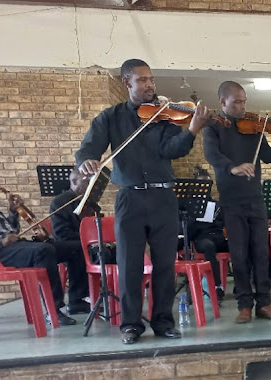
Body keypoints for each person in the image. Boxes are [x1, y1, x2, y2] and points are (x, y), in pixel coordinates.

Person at [75, 58, 209, 344]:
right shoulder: (110, 117)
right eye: (143, 80)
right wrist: (87, 161)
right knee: (129, 264)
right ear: (127, 83)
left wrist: (192, 130)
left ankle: (163, 322)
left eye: (151, 80)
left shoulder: (164, 115)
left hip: (163, 196)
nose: (150, 85)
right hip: (130, 197)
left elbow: (173, 150)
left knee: (164, 264)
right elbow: (89, 149)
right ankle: (131, 325)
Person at [203, 81, 271, 323]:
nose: (242, 107)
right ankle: (244, 305)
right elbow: (212, 155)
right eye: (237, 102)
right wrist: (234, 167)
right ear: (223, 102)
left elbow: (269, 157)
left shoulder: (255, 129)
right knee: (239, 255)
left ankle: (264, 303)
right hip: (231, 201)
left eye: (244, 101)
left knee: (261, 253)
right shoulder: (213, 127)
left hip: (255, 199)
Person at [0, 167, 88, 325]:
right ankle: (53, 310)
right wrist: (0, 242)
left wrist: (13, 212)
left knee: (76, 247)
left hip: (12, 248)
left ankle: (77, 299)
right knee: (43, 250)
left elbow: (12, 230)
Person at [176, 166, 228, 302]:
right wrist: (193, 218)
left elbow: (226, 223)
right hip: (203, 238)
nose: (205, 188)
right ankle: (217, 286)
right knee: (209, 246)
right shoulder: (189, 206)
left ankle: (242, 285)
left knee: (241, 245)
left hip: (218, 237)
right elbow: (186, 231)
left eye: (207, 185)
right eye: (201, 185)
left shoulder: (217, 204)